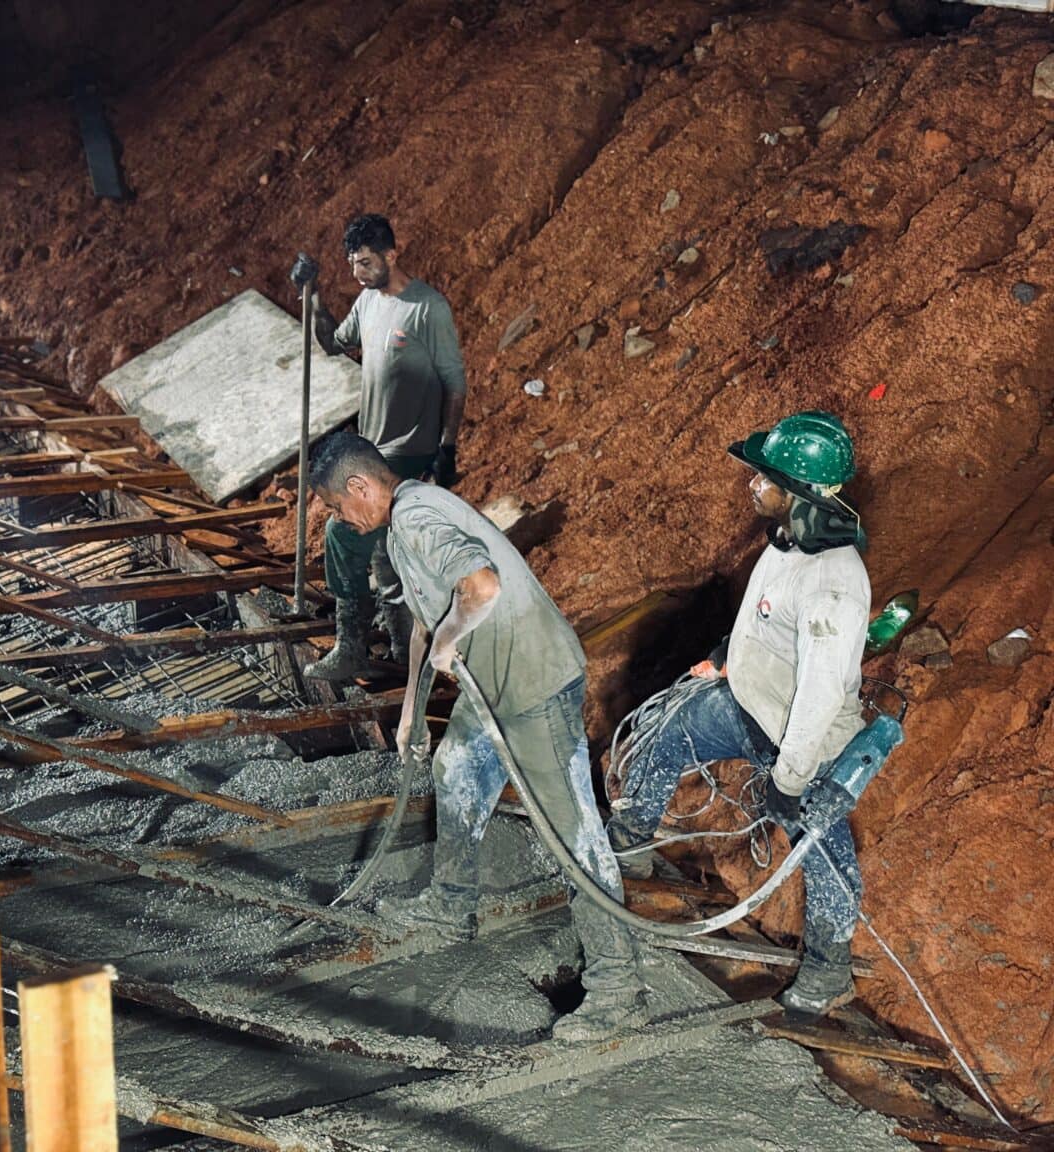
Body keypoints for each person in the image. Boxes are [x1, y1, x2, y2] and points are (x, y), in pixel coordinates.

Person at [307, 430, 647, 1042]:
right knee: (455, 771)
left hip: (533, 683)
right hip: (490, 686)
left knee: (574, 837)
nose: (341, 520)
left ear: (360, 486)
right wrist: (412, 706)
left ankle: (619, 988)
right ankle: (450, 904)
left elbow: (480, 587)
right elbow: (425, 625)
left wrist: (448, 637)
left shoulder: (415, 519)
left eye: (337, 506)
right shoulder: (405, 519)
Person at [606, 411, 870, 1018]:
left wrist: (790, 781)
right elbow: (764, 617)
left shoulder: (834, 584)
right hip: (749, 704)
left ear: (799, 491)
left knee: (822, 846)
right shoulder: (788, 540)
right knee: (668, 727)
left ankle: (829, 969)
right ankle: (634, 835)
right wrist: (724, 660)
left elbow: (821, 694)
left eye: (763, 477)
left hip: (804, 740)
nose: (752, 484)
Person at [289, 214, 466, 680]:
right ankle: (400, 645)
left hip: (409, 450)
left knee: (343, 535)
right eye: (352, 264)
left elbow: (454, 383)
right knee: (386, 556)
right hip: (373, 448)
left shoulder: (427, 308)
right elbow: (332, 343)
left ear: (392, 254)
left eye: (365, 262)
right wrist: (314, 296)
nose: (358, 273)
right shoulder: (367, 302)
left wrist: (447, 449)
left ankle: (354, 649)